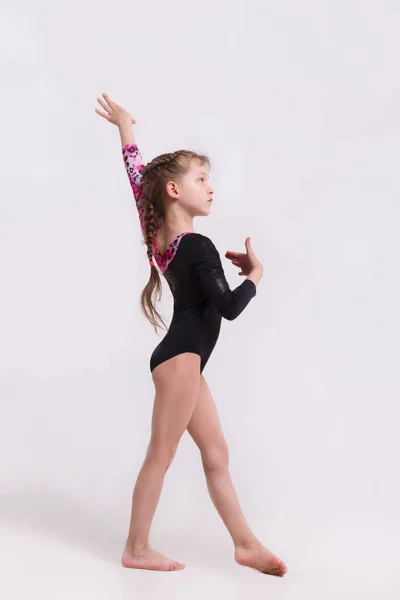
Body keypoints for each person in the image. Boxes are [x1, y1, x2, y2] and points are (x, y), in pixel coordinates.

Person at [95, 93, 288, 576]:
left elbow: (138, 179)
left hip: (183, 360)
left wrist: (125, 128)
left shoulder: (160, 233)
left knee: (216, 453)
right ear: (176, 191)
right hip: (181, 358)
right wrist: (256, 275)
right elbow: (228, 308)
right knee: (161, 453)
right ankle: (136, 548)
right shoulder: (197, 246)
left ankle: (244, 544)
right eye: (201, 179)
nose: (211, 188)